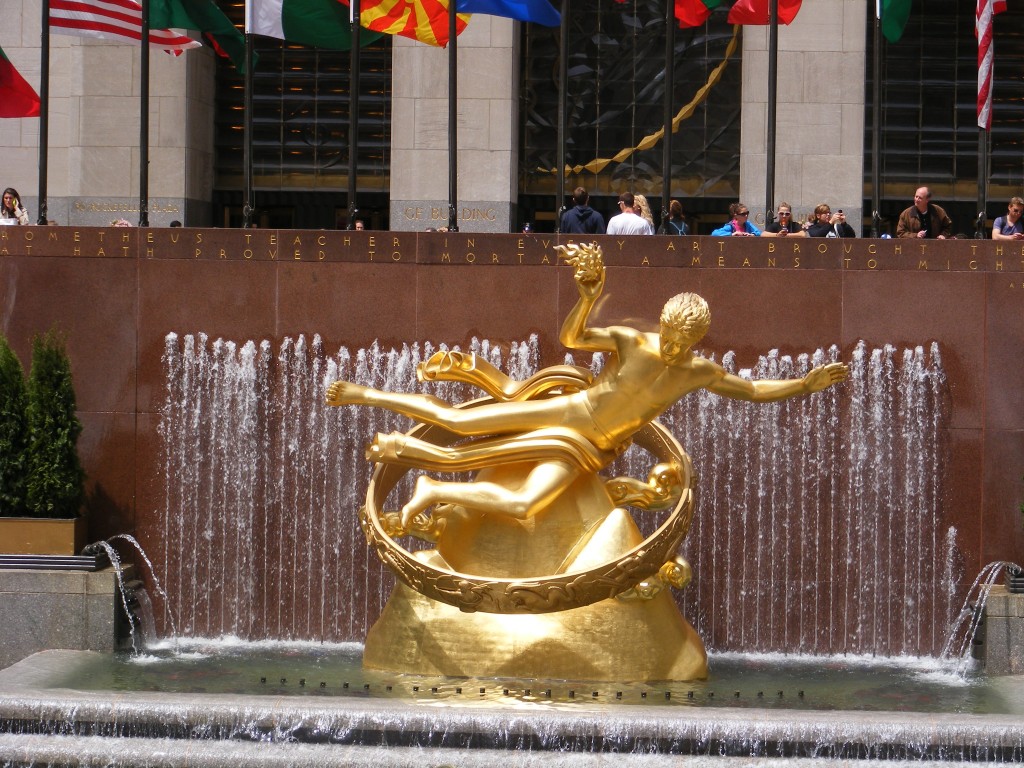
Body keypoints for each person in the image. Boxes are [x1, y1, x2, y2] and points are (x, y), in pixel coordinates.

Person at [326, 243, 848, 528]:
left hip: (591, 451)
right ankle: (366, 394)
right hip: (569, 413)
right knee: (459, 420)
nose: (672, 346)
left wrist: (804, 383)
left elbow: (753, 391)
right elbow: (572, 337)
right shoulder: (630, 340)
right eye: (670, 334)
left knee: (526, 507)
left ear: (697, 339)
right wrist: (587, 295)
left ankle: (432, 487)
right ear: (662, 324)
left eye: (684, 340)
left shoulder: (699, 372)